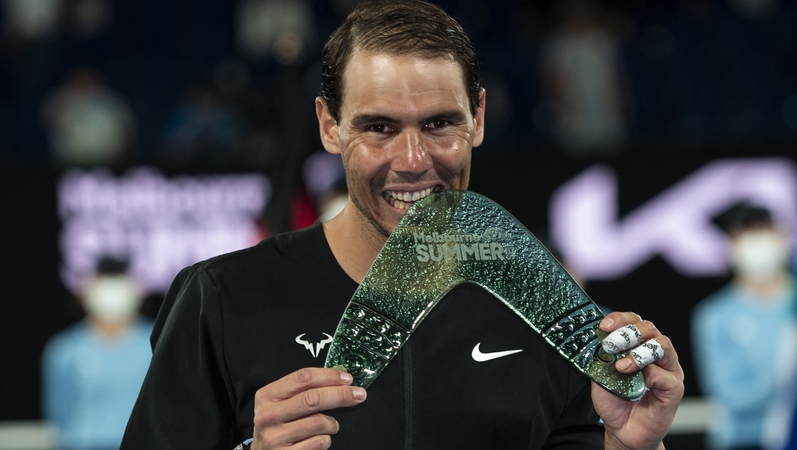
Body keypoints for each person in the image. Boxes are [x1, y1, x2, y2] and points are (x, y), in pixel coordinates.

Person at [121, 2, 684, 449]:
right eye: (379, 127)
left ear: (479, 117)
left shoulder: (540, 310)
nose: (413, 159)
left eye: (440, 124)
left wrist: (632, 448)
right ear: (329, 126)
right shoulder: (221, 298)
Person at [693, 205, 797, 450]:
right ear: (731, 244)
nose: (758, 242)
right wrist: (786, 381)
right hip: (745, 441)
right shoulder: (715, 315)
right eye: (747, 234)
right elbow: (731, 398)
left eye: (765, 231)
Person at [42, 257, 153, 450]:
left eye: (119, 279)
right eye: (104, 279)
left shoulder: (157, 343)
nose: (112, 289)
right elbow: (59, 413)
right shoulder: (65, 350)